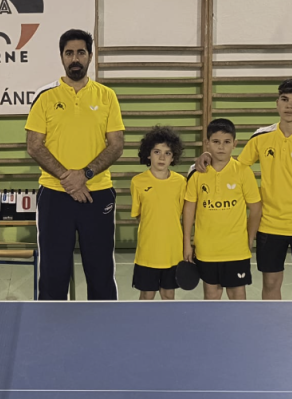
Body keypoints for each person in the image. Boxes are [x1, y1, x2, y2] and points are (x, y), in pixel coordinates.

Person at [194, 79, 292, 300]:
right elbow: (233, 165)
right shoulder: (261, 137)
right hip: (270, 225)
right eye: (285, 99)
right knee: (270, 284)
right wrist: (208, 154)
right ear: (277, 103)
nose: (289, 105)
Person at [25, 29, 125, 300]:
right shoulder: (45, 96)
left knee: (101, 272)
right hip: (55, 195)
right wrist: (68, 179)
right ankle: (51, 325)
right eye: (69, 53)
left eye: (81, 52)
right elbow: (34, 145)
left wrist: (85, 174)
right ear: (62, 57)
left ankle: (101, 324)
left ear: (90, 56)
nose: (75, 58)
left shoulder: (107, 96)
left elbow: (116, 145)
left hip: (97, 193)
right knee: (53, 273)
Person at [183, 119, 261, 300]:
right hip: (206, 249)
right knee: (211, 295)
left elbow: (256, 209)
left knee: (237, 295)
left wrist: (249, 238)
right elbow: (189, 209)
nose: (221, 147)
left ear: (234, 144)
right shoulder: (197, 173)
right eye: (216, 142)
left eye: (227, 142)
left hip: (236, 249)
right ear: (207, 143)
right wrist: (187, 242)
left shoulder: (243, 171)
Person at [130, 126, 186, 301]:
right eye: (157, 152)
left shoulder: (181, 182)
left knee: (168, 295)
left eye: (167, 153)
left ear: (173, 157)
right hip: (148, 252)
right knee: (147, 295)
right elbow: (139, 215)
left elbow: (182, 214)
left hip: (173, 251)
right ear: (148, 154)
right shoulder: (137, 182)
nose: (162, 157)